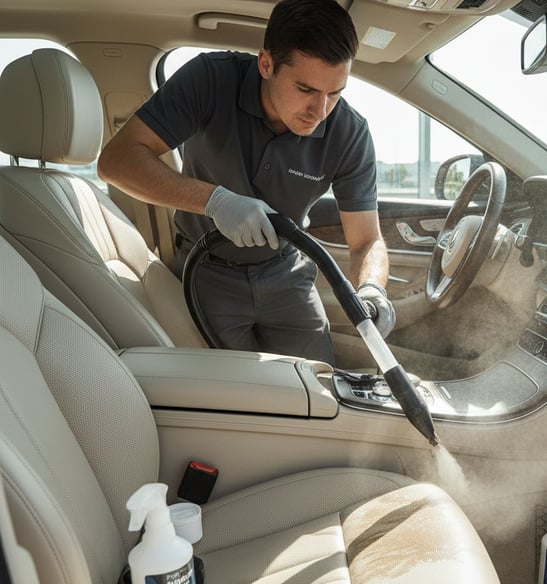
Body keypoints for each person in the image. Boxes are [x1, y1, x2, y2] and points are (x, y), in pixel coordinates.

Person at [97, 0, 395, 365]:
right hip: (204, 270)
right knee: (232, 392)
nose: (320, 112)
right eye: (305, 89)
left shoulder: (349, 134)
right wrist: (215, 201)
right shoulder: (210, 80)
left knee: (318, 391)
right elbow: (116, 161)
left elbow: (366, 240)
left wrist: (372, 288)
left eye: (335, 93)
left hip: (286, 272)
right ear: (266, 64)